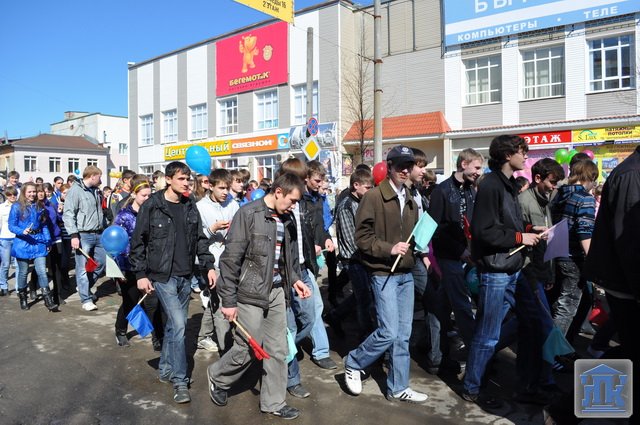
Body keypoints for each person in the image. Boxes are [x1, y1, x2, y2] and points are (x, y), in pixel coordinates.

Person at [206, 173, 310, 420]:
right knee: (249, 348)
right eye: (292, 200)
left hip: (277, 291)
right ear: (278, 192)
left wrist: (295, 279)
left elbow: (288, 257)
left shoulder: (287, 219)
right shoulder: (248, 214)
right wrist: (228, 301)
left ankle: (274, 402)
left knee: (278, 349)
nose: (294, 206)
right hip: (249, 293)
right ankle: (218, 377)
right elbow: (230, 260)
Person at [343, 145, 428, 404]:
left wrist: (421, 243)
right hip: (383, 273)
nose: (405, 170)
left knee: (403, 335)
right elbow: (362, 238)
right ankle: (354, 361)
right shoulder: (373, 197)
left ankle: (398, 386)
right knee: (389, 332)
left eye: (408, 166)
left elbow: (412, 236)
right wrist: (389, 248)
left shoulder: (410, 196)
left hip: (406, 273)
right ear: (389, 167)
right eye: (400, 165)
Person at [462, 135, 541, 407]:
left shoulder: (507, 184)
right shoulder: (491, 185)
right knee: (488, 334)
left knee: (531, 322)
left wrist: (529, 230)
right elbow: (483, 231)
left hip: (513, 269)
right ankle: (473, 387)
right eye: (522, 151)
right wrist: (520, 237)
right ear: (508, 155)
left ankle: (525, 385)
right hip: (496, 271)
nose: (526, 156)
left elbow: (505, 225)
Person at [130, 161, 216, 404]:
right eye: (181, 178)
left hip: (185, 276)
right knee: (179, 325)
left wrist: (208, 266)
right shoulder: (152, 205)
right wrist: (140, 274)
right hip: (162, 276)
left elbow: (200, 239)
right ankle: (180, 380)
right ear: (168, 180)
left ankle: (165, 368)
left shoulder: (190, 205)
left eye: (188, 179)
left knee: (172, 327)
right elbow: (138, 242)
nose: (186, 183)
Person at [585, 145, 640, 425]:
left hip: (627, 282)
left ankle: (565, 410)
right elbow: (630, 242)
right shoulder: (632, 175)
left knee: (629, 352)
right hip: (627, 284)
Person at [516, 158, 566, 404]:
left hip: (539, 273)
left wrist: (550, 274)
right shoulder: (523, 202)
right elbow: (519, 238)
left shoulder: (545, 200)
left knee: (530, 329)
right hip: (528, 273)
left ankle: (534, 382)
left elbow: (549, 240)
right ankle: (540, 382)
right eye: (552, 182)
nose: (554, 187)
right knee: (542, 328)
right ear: (538, 178)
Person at [428, 148, 484, 356]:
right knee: (462, 304)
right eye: (476, 167)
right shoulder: (441, 191)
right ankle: (476, 352)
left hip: (466, 254)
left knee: (441, 304)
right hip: (448, 255)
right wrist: (459, 250)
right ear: (464, 164)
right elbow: (435, 229)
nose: (479, 172)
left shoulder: (471, 190)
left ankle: (432, 348)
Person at [550, 160, 598, 343]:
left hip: (556, 253)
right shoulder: (584, 198)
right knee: (567, 306)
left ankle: (559, 345)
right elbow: (584, 232)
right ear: (590, 177)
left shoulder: (559, 194)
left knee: (561, 302)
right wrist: (593, 262)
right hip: (574, 257)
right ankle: (554, 350)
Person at [324, 168, 374, 339]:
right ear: (356, 185)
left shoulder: (362, 202)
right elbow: (350, 238)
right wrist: (367, 254)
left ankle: (335, 315)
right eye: (367, 187)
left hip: (363, 257)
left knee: (363, 294)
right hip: (353, 259)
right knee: (364, 297)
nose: (370, 191)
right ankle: (366, 335)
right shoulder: (346, 206)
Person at [195, 169, 239, 353]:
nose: (225, 192)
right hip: (211, 261)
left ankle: (203, 336)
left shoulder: (233, 204)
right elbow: (196, 239)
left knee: (216, 299)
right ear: (210, 186)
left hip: (231, 260)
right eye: (221, 188)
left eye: (227, 188)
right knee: (222, 302)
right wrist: (212, 229)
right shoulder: (200, 207)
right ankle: (226, 348)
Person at [113, 175, 152, 347]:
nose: (147, 198)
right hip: (127, 265)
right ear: (134, 194)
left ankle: (150, 331)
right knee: (130, 300)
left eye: (149, 195)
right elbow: (115, 244)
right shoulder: (124, 217)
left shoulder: (150, 213)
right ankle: (120, 330)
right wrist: (118, 270)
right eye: (144, 195)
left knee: (149, 299)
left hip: (147, 263)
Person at [62, 165, 106, 312]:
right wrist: (74, 235)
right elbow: (68, 214)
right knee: (81, 268)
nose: (100, 179)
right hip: (83, 234)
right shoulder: (75, 190)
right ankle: (86, 299)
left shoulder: (95, 190)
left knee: (101, 262)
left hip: (98, 233)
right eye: (99, 176)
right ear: (92, 176)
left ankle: (84, 287)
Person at [8, 182, 57, 311]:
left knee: (42, 272)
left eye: (34, 191)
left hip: (38, 242)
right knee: (23, 272)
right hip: (23, 242)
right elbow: (11, 225)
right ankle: (23, 297)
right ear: (24, 192)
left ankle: (48, 300)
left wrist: (48, 241)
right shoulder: (16, 206)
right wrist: (21, 231)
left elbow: (44, 226)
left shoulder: (40, 206)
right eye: (29, 192)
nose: (32, 194)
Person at [0, 186, 18, 296]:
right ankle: (3, 286)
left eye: (14, 194)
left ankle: (19, 288)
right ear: (6, 196)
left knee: (19, 264)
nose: (12, 196)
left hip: (18, 237)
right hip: (5, 238)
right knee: (5, 264)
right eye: (10, 195)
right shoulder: (2, 207)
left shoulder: (20, 206)